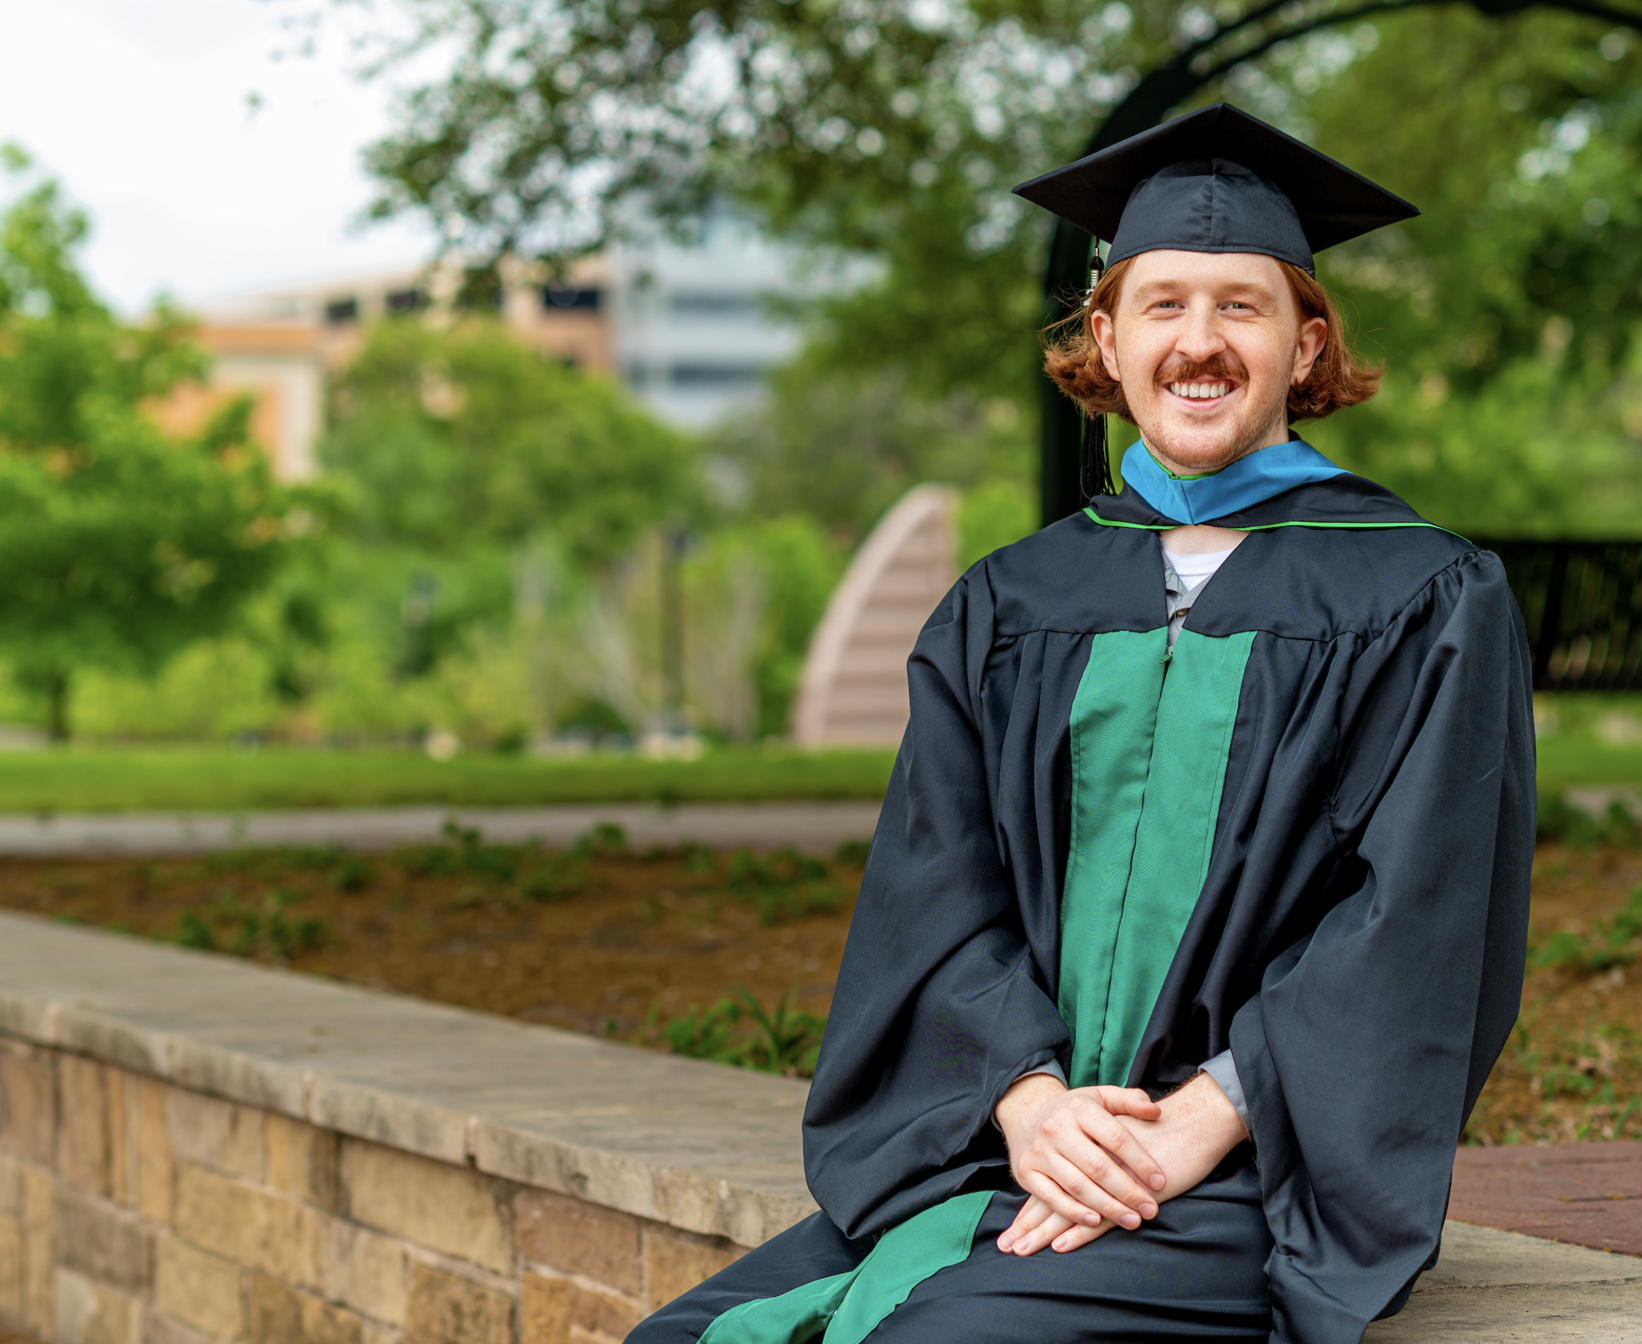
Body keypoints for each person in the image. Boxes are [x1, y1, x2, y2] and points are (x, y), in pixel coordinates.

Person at [625, 102, 1533, 1344]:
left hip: (1249, 1179)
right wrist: (1029, 1102)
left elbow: (1417, 918)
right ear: (1104, 339)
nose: (1199, 344)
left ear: (1307, 343)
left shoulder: (1420, 595)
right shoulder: (1009, 604)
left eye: (1242, 306)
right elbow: (935, 894)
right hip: (1002, 1147)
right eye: (1162, 305)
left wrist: (1202, 1120)